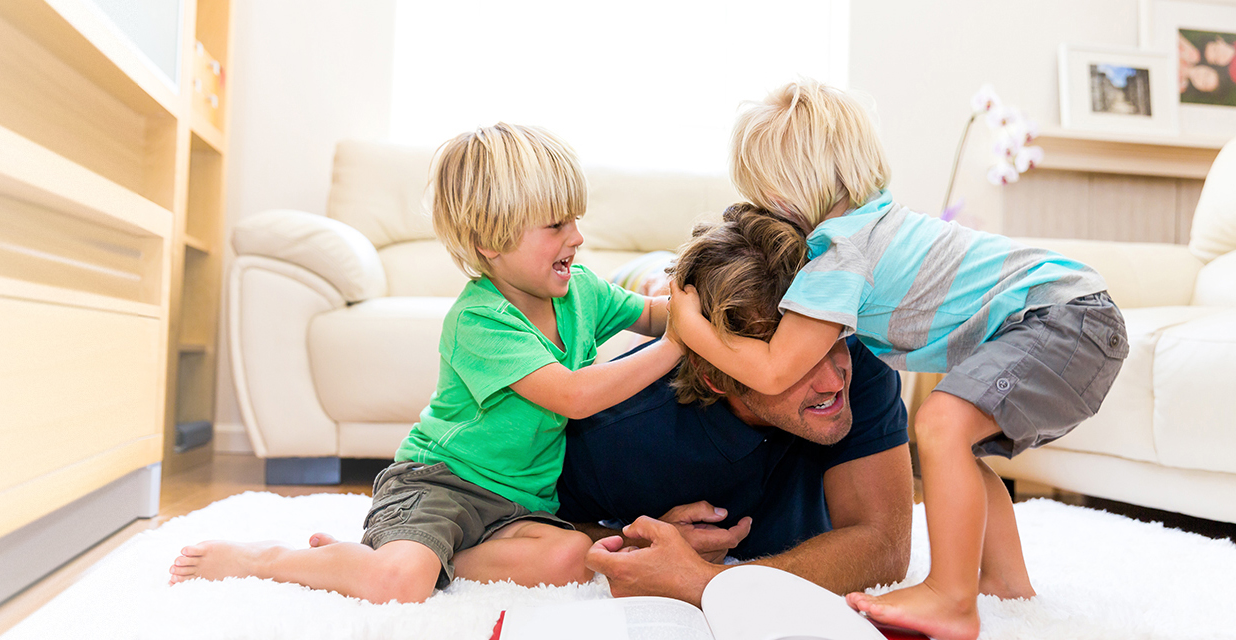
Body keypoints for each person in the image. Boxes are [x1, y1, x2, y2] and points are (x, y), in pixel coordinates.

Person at [668, 81, 1128, 640]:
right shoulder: (878, 223)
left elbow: (773, 370)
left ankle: (951, 597)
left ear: (784, 195)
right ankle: (1002, 580)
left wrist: (687, 325)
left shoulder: (841, 255)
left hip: (1063, 316)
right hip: (1077, 313)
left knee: (939, 425)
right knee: (959, 445)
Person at [167, 123, 681, 603]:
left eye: (575, 219)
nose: (577, 236)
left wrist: (690, 302)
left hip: (521, 503)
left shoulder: (582, 290)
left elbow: (659, 315)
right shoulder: (480, 321)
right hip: (440, 485)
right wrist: (675, 346)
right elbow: (573, 394)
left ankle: (401, 558)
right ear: (490, 241)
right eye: (555, 225)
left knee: (574, 558)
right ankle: (270, 560)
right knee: (401, 586)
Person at [558, 204, 912, 607]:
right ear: (716, 377)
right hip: (642, 320)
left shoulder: (860, 353)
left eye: (831, 344)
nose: (834, 382)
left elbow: (885, 545)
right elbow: (533, 526)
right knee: (654, 287)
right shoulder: (613, 431)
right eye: (796, 367)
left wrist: (707, 580)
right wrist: (631, 538)